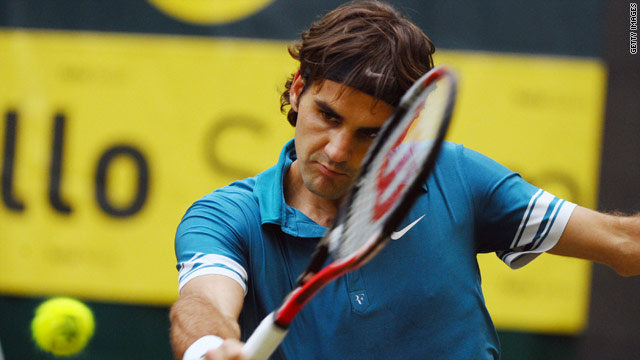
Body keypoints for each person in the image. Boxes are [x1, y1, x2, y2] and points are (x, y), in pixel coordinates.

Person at [169, 1, 640, 359]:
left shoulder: (453, 175)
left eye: (369, 134)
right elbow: (203, 301)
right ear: (297, 88)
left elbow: (622, 244)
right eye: (327, 115)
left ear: (402, 132)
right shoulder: (228, 218)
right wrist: (209, 347)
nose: (337, 150)